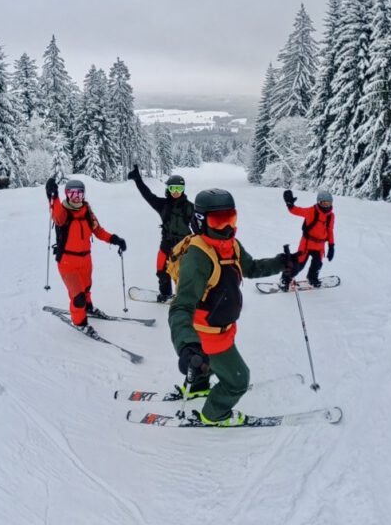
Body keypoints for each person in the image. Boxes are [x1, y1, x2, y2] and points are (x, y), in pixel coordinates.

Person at [168, 188, 295, 426]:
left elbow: (252, 268)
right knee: (238, 380)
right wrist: (186, 345)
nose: (227, 227)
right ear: (201, 221)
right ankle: (214, 414)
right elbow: (180, 307)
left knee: (210, 363)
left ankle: (197, 385)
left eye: (231, 218)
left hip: (223, 328)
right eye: (218, 220)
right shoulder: (197, 258)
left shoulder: (231, 244)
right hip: (207, 336)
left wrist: (280, 263)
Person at [46, 177, 126, 327]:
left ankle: (88, 308)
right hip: (67, 262)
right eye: (72, 194)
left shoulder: (87, 212)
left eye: (79, 194)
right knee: (78, 297)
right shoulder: (63, 212)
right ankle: (80, 322)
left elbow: (99, 231)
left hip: (86, 260)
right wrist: (53, 195)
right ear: (67, 194)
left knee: (87, 288)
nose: (76, 197)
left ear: (84, 195)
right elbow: (56, 215)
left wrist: (115, 239)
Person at [125, 164, 199, 302]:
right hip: (166, 244)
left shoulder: (189, 207)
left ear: (183, 190)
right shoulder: (163, 205)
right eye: (173, 188)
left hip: (183, 247)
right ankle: (165, 294)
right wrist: (138, 179)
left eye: (179, 188)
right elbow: (148, 195)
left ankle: (188, 296)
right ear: (168, 189)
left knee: (184, 274)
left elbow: (199, 228)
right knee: (161, 271)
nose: (176, 192)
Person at [281, 189, 336, 291]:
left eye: (328, 203)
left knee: (317, 264)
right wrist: (290, 204)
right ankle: (285, 279)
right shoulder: (312, 211)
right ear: (319, 202)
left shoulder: (331, 216)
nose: (326, 206)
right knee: (298, 266)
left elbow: (330, 231)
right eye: (324, 203)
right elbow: (296, 211)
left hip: (319, 247)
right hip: (306, 244)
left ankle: (312, 278)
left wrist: (331, 246)